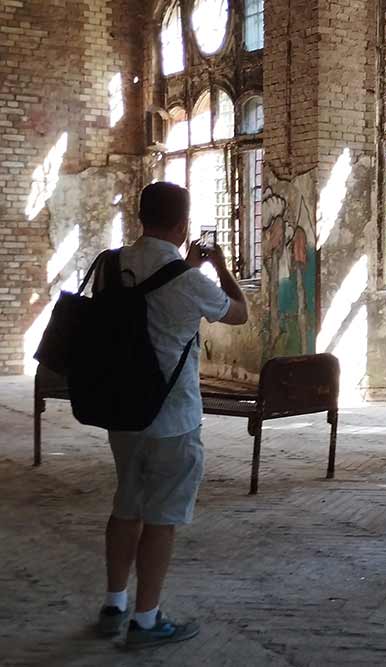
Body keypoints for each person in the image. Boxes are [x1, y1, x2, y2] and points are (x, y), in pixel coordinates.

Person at [95, 182, 248, 649]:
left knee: (126, 505)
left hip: (121, 410)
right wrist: (219, 266)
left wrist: (188, 267)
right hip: (173, 417)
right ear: (183, 226)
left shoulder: (110, 263)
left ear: (142, 217)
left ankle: (114, 603)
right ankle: (146, 619)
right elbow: (239, 313)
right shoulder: (189, 280)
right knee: (161, 519)